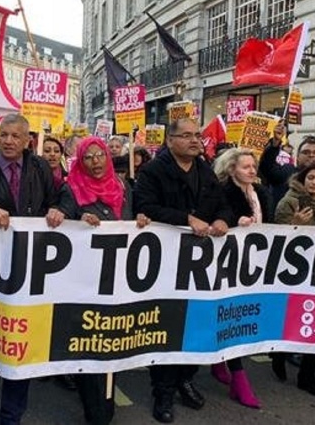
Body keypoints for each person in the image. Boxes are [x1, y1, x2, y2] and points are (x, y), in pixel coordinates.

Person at [0, 113, 63, 425]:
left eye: (15, 136)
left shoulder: (40, 167)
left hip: (29, 268)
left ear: (28, 140)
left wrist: (62, 210)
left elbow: (56, 200)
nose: (8, 141)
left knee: (22, 340)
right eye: (3, 135)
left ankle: (11, 414)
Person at [133, 118, 233, 423]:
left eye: (197, 136)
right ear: (170, 140)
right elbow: (146, 206)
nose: (194, 141)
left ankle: (184, 378)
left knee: (196, 322)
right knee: (167, 325)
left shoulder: (206, 170)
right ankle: (162, 391)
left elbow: (223, 204)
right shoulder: (153, 171)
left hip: (200, 262)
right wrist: (186, 218)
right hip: (165, 262)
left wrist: (223, 220)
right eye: (187, 136)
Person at [55, 136, 150, 425]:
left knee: (111, 343)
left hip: (118, 280)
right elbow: (60, 227)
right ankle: (96, 410)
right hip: (85, 282)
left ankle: (103, 403)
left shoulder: (123, 187)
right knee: (89, 344)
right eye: (88, 157)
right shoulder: (70, 189)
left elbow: (131, 222)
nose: (95, 162)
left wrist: (141, 221)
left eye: (99, 156)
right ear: (79, 161)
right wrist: (77, 221)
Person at [211, 148, 273, 409]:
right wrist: (234, 220)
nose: (251, 170)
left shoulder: (259, 193)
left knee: (243, 316)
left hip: (254, 264)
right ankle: (240, 379)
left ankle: (219, 362)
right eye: (245, 166)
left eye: (253, 165)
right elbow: (216, 216)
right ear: (231, 169)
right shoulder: (224, 191)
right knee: (233, 317)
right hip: (227, 263)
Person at [272, 162, 315, 399]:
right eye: (311, 177)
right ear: (303, 178)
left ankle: (307, 377)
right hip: (293, 272)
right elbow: (275, 238)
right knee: (292, 318)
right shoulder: (289, 202)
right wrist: (294, 224)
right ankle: (279, 354)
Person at [259, 123, 315, 209]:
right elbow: (267, 167)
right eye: (306, 152)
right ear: (297, 157)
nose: (311, 155)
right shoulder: (286, 172)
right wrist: (275, 144)